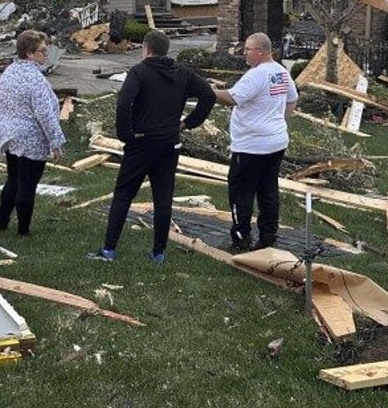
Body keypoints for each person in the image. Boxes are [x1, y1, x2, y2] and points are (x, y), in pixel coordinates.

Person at [92, 29, 216, 263]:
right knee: (163, 197)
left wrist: (125, 134)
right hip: (169, 143)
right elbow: (208, 95)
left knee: (123, 195)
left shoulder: (139, 72)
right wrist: (189, 123)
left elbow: (124, 102)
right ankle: (158, 253)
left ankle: (109, 249)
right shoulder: (182, 73)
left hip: (141, 142)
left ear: (146, 49)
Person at [213, 32, 298, 251]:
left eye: (248, 49)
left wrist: (206, 91)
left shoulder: (256, 75)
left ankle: (241, 239)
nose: (244, 54)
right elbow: (292, 99)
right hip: (275, 143)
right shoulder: (281, 72)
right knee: (268, 190)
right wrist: (280, 122)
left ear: (260, 51)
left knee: (241, 193)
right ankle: (268, 237)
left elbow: (231, 98)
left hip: (251, 146)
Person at [0, 30, 66, 236]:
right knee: (27, 184)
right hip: (30, 137)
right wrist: (55, 141)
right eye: (42, 51)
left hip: (10, 134)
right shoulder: (35, 79)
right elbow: (45, 114)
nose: (46, 54)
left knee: (13, 179)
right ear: (29, 54)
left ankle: (2, 222)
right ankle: (23, 230)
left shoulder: (9, 72)